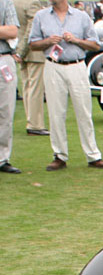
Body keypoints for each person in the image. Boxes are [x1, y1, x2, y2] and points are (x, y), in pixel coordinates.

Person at [28, 0, 103, 170]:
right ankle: (59, 155)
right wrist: (48, 41)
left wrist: (76, 40)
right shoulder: (41, 16)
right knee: (56, 112)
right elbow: (33, 44)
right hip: (53, 65)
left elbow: (95, 44)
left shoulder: (81, 16)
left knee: (84, 111)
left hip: (77, 65)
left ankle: (93, 155)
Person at [14, 0, 47, 137]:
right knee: (35, 89)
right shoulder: (33, 3)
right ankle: (35, 124)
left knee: (27, 87)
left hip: (20, 48)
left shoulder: (14, 3)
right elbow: (31, 30)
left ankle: (32, 121)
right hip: (33, 51)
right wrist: (21, 51)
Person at [0, 0, 19, 173]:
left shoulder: (5, 2)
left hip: (3, 59)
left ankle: (2, 158)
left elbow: (13, 31)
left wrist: (5, 31)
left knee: (6, 111)